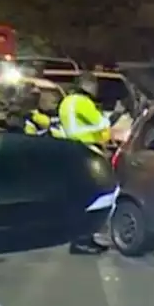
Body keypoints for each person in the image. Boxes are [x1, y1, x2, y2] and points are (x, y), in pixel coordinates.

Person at [57, 72, 113, 254]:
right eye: (94, 84)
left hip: (70, 150)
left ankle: (78, 238)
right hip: (86, 151)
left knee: (76, 197)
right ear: (87, 85)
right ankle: (83, 240)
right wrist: (111, 117)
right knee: (90, 197)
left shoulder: (66, 101)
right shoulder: (83, 102)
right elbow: (101, 123)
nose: (96, 88)